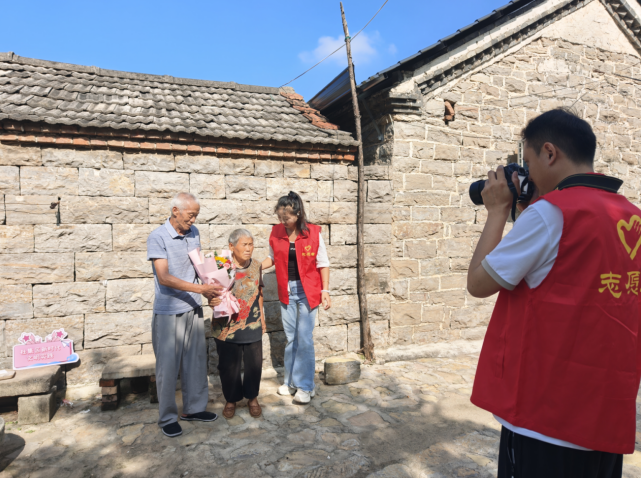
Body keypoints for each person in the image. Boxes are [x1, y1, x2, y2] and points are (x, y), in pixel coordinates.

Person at [467, 109, 641, 478]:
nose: (528, 175)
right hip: (604, 419)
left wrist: (497, 211)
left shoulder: (550, 214)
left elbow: (479, 284)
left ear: (549, 153)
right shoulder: (632, 217)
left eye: (528, 164)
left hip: (544, 420)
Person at [146, 192, 222, 438]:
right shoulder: (157, 236)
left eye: (196, 215)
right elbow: (164, 277)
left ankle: (194, 409)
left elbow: (199, 267)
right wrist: (201, 290)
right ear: (175, 211)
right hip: (169, 312)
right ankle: (167, 417)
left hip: (193, 308)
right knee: (167, 368)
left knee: (196, 363)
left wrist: (212, 290)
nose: (193, 220)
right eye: (191, 215)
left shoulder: (194, 233)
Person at [261, 191, 331, 404]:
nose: (283, 221)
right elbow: (272, 258)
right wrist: (252, 267)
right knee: (291, 338)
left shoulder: (313, 233)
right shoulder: (276, 232)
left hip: (308, 291)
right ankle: (291, 381)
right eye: (280, 217)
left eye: (287, 217)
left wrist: (325, 291)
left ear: (298, 214)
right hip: (287, 291)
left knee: (304, 338)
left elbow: (323, 263)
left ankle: (305, 386)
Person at [210, 228, 265, 419]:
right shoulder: (221, 265)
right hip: (225, 325)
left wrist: (262, 318)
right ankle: (231, 399)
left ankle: (252, 398)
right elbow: (211, 292)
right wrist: (211, 301)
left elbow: (259, 293)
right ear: (231, 246)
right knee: (228, 366)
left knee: (254, 364)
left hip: (251, 322)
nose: (249, 248)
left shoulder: (256, 265)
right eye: (245, 244)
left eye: (251, 244)